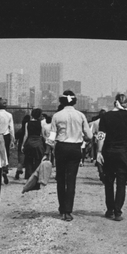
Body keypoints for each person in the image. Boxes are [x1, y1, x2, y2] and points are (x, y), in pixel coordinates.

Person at [96, 93, 127, 221]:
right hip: (123, 153)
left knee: (108, 182)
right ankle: (118, 212)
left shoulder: (105, 116)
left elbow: (101, 134)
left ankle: (109, 210)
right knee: (121, 183)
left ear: (114, 103)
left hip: (108, 152)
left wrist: (98, 151)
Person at [50, 90, 92, 221]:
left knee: (61, 179)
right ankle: (68, 210)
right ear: (74, 101)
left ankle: (62, 207)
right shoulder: (80, 115)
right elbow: (89, 136)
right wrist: (83, 139)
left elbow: (51, 137)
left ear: (61, 101)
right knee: (71, 179)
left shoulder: (57, 116)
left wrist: (48, 151)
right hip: (75, 148)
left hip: (61, 147)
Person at [21, 107, 46, 181]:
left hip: (29, 142)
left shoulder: (27, 123)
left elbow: (26, 135)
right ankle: (36, 178)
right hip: (38, 142)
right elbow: (43, 134)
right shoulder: (41, 123)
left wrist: (23, 145)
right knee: (38, 160)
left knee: (28, 160)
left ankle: (29, 177)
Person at [0, 99, 16, 185]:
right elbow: (11, 128)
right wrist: (13, 139)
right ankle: (5, 168)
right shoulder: (9, 115)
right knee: (6, 152)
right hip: (6, 135)